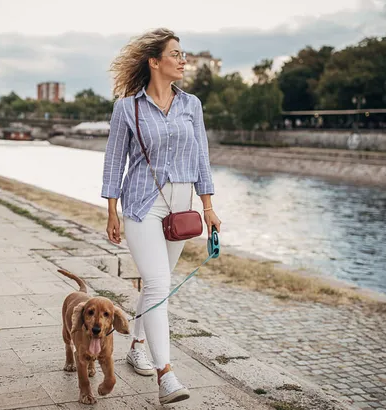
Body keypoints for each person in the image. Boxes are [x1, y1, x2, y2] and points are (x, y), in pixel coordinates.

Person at [101, 28, 221, 405]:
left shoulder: (192, 105)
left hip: (181, 208)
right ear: (155, 62)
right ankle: (165, 374)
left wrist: (209, 207)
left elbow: (201, 157)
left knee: (157, 286)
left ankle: (136, 344)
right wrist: (111, 211)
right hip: (140, 205)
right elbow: (114, 161)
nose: (183, 60)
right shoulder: (127, 108)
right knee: (155, 284)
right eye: (176, 54)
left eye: (183, 54)